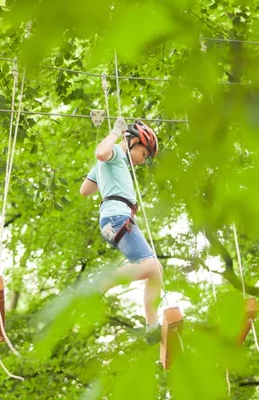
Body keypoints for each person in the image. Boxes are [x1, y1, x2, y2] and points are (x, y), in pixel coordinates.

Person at [79, 116, 163, 345]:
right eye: (144, 154)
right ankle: (101, 283)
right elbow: (101, 154)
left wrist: (100, 171)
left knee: (155, 270)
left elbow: (85, 190)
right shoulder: (116, 154)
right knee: (153, 266)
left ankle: (153, 328)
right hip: (117, 217)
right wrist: (115, 133)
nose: (143, 161)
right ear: (134, 141)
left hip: (113, 220)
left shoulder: (113, 163)